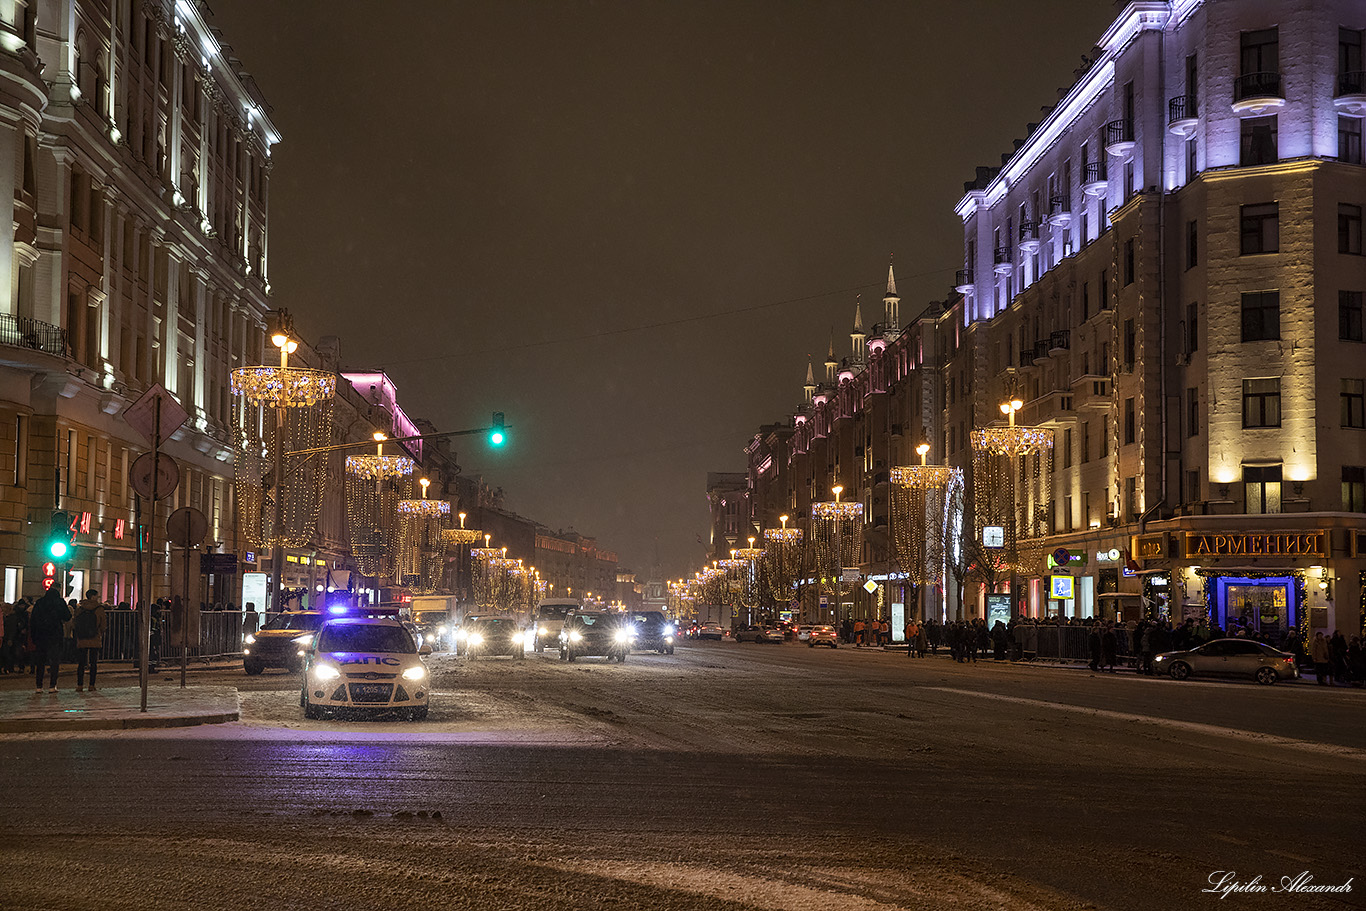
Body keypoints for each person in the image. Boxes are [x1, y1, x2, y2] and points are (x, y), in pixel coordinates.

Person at [30, 587, 71, 693]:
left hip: (41, 635)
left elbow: (33, 620)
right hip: (55, 635)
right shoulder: (59, 602)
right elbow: (67, 616)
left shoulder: (39, 603)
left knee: (40, 661)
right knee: (54, 661)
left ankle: (39, 686)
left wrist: (33, 636)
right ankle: (52, 685)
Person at [72, 589, 106, 693]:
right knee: (93, 663)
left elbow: (75, 623)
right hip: (94, 638)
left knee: (81, 663)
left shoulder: (80, 608)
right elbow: (103, 625)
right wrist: (99, 632)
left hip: (82, 638)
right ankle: (91, 685)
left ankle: (80, 685)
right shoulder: (99, 609)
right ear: (93, 596)